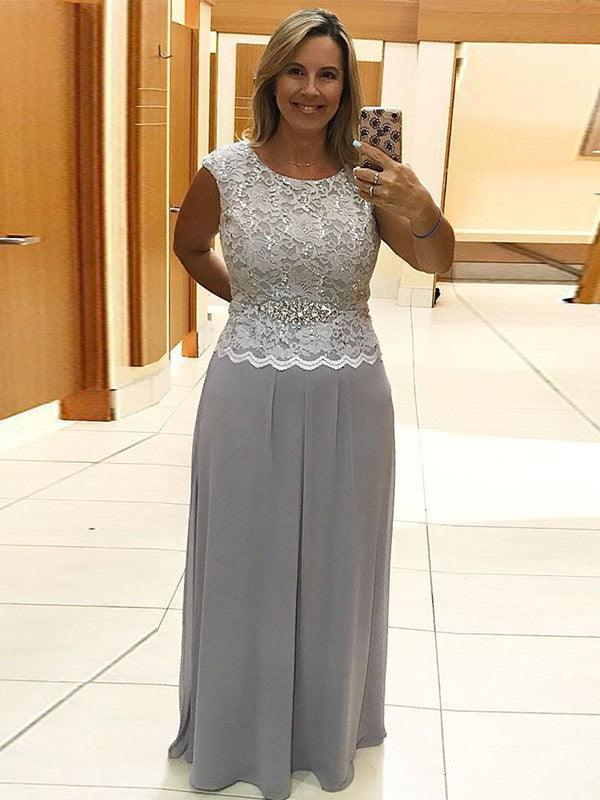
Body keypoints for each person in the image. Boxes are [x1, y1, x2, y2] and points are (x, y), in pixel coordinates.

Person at [167, 8, 451, 800]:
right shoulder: (224, 170)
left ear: (346, 86)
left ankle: (326, 724)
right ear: (272, 77)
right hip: (247, 383)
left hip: (350, 390)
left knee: (337, 562)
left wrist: (420, 204)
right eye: (296, 70)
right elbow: (189, 245)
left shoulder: (371, 175)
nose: (311, 89)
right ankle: (238, 726)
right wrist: (253, 304)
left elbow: (438, 261)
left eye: (329, 74)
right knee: (243, 557)